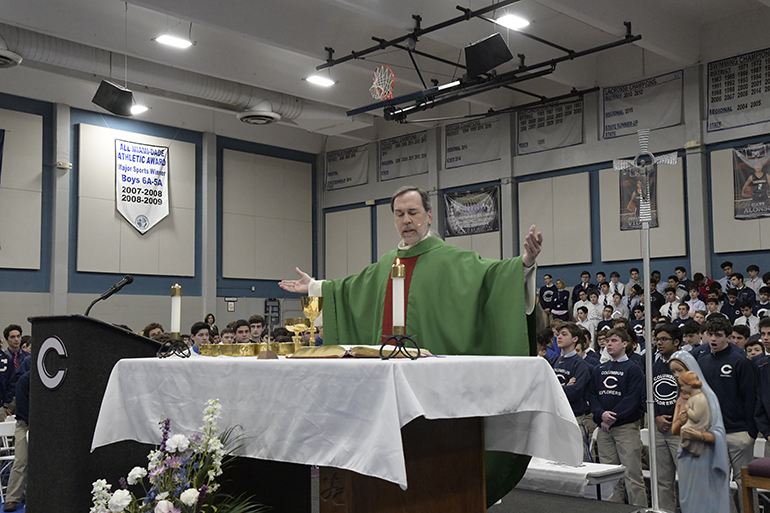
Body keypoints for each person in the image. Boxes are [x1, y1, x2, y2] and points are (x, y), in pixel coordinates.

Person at [278, 185, 543, 505]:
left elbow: (494, 276)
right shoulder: (385, 264)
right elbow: (349, 289)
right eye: (399, 214)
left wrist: (524, 264)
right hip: (387, 394)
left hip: (438, 394)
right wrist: (317, 286)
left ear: (429, 216)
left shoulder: (454, 260)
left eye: (413, 213)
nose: (406, 220)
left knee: (437, 472)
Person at [695, 316, 757, 513]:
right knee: (718, 481)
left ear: (728, 337)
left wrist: (751, 432)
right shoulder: (702, 362)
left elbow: (750, 398)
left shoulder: (740, 361)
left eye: (719, 335)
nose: (713, 339)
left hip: (738, 432)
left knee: (744, 481)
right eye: (711, 334)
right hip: (713, 432)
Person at [587, 327, 647, 506]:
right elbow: (593, 396)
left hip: (625, 428)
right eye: (607, 341)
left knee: (632, 475)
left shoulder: (633, 369)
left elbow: (633, 398)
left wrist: (613, 417)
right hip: (604, 429)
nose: (609, 344)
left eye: (614, 341)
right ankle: (613, 508)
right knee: (609, 477)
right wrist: (601, 415)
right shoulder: (599, 369)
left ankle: (639, 508)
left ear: (625, 344)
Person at [668, 349, 730, 513]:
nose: (676, 375)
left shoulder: (709, 398)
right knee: (687, 497)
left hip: (705, 457)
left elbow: (718, 434)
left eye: (680, 370)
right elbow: (675, 430)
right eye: (673, 372)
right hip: (686, 456)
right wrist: (680, 423)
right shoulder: (681, 399)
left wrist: (700, 436)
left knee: (706, 497)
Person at [652, 323, 682, 513]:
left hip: (680, 429)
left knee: (687, 478)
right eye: (657, 339)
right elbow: (648, 395)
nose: (659, 343)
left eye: (664, 339)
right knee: (663, 479)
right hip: (659, 428)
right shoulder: (655, 365)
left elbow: (691, 395)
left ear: (676, 342)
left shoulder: (685, 364)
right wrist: (655, 417)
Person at [550, 322, 592, 461]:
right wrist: (565, 387)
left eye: (564, 334)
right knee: (557, 460)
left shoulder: (580, 364)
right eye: (557, 335)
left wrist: (555, 389)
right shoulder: (552, 361)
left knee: (579, 459)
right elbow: (543, 388)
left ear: (575, 339)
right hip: (556, 416)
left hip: (575, 417)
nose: (559, 337)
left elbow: (575, 392)